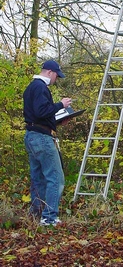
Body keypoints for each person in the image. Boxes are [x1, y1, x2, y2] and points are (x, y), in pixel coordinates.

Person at [23, 60, 72, 226]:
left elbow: (37, 116)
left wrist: (56, 121)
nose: (56, 80)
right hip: (42, 139)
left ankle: (36, 214)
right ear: (50, 72)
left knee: (38, 178)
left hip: (32, 135)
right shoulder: (40, 87)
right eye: (57, 76)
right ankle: (49, 217)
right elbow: (42, 110)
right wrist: (61, 105)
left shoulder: (31, 87)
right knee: (56, 178)